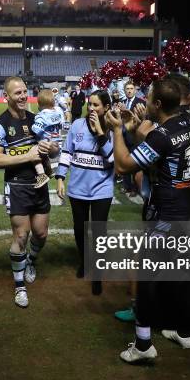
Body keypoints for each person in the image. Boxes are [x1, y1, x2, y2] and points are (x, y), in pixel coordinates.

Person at [107, 78, 190, 363]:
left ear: (158, 104)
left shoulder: (162, 135)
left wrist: (116, 130)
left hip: (168, 212)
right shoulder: (188, 121)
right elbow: (156, 152)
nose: (144, 100)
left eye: (149, 97)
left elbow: (124, 164)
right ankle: (183, 331)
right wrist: (140, 131)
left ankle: (143, 344)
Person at [0, 76, 59, 308]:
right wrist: (27, 156)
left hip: (40, 184)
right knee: (21, 236)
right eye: (17, 92)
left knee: (41, 234)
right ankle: (19, 287)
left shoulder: (37, 119)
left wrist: (53, 148)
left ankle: (31, 261)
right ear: (6, 96)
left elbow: (53, 151)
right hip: (17, 186)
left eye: (25, 91)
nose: (22, 96)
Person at [56, 89, 115, 295]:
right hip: (77, 188)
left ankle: (97, 273)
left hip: (102, 189)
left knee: (99, 232)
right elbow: (66, 151)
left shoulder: (113, 128)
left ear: (106, 107)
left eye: (96, 105)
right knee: (80, 230)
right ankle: (85, 261)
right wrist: (61, 177)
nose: (90, 108)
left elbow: (113, 159)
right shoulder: (77, 125)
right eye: (89, 104)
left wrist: (100, 132)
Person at [32, 89, 63, 189]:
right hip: (58, 144)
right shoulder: (58, 111)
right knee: (44, 157)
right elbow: (62, 124)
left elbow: (36, 130)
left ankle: (41, 175)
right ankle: (49, 171)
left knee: (34, 154)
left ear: (39, 104)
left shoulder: (41, 116)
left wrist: (33, 124)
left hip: (48, 145)